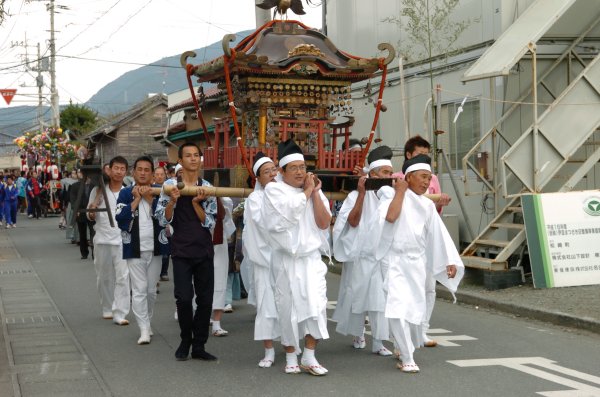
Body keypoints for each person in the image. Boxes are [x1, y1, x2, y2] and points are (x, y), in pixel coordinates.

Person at [369, 154, 464, 373]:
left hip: (416, 263)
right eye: (422, 177)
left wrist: (448, 260)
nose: (426, 182)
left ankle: (404, 348)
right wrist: (400, 191)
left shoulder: (427, 206)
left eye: (429, 178)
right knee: (396, 307)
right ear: (408, 177)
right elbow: (391, 218)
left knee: (413, 309)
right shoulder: (390, 195)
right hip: (393, 260)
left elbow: (437, 235)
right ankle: (408, 356)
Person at [261, 139, 331, 376]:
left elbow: (323, 223)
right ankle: (291, 354)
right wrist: (307, 191)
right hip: (286, 260)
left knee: (316, 306)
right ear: (282, 171)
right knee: (287, 307)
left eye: (303, 167)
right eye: (295, 168)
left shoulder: (311, 192)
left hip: (311, 260)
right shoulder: (273, 190)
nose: (301, 172)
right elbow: (287, 215)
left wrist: (315, 194)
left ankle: (310, 355)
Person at [156, 143, 218, 361]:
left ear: (200, 160)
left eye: (196, 156)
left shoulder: (207, 187)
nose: (193, 159)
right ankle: (185, 340)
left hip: (203, 249)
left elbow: (210, 222)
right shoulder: (169, 186)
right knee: (183, 298)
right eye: (188, 156)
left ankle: (199, 345)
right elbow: (162, 218)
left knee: (205, 300)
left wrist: (195, 203)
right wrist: (173, 201)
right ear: (180, 161)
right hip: (181, 250)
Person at [332, 145, 394, 356]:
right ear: (373, 174)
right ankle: (358, 334)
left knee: (379, 300)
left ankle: (378, 341)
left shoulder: (391, 195)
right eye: (385, 173)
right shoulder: (355, 196)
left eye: (390, 173)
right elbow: (353, 221)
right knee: (357, 298)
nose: (389, 177)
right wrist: (360, 194)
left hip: (380, 255)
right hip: (360, 256)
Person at [393, 135, 451, 347]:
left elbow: (433, 209)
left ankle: (422, 329)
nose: (426, 181)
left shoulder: (432, 178)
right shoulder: (397, 179)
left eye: (427, 156)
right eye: (420, 155)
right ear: (408, 155)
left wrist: (440, 201)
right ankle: (401, 334)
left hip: (425, 240)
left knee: (428, 287)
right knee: (403, 291)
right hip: (401, 245)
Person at [115, 156, 167, 345]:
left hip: (156, 248)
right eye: (140, 169)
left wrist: (149, 199)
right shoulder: (126, 193)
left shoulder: (160, 193)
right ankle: (143, 328)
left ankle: (147, 320)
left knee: (151, 291)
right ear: (133, 172)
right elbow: (120, 218)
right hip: (134, 248)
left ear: (153, 174)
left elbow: (166, 218)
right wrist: (137, 199)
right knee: (139, 290)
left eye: (147, 170)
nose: (143, 173)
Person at [243, 152, 280, 368]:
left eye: (274, 169)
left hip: (285, 260)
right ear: (258, 178)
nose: (272, 174)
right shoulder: (255, 199)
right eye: (266, 172)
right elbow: (265, 224)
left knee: (288, 304)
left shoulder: (288, 194)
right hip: (265, 261)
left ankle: (290, 345)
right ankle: (269, 350)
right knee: (267, 307)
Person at [87, 156, 130, 324]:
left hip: (122, 239)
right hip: (102, 239)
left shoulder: (128, 191)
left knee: (123, 277)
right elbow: (91, 216)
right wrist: (95, 204)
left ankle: (120, 312)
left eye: (122, 169)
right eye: (116, 168)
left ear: (126, 172)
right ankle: (107, 307)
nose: (119, 172)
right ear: (109, 170)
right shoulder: (97, 191)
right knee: (103, 277)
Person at [210, 196, 236, 337]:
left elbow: (226, 217)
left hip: (219, 241)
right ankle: (200, 315)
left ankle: (217, 322)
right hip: (197, 240)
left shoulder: (225, 199)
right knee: (199, 281)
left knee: (220, 279)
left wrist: (217, 197)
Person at [152, 166, 171, 281]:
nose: (159, 176)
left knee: (165, 248)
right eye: (157, 174)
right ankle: (154, 275)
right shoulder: (151, 188)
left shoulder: (169, 188)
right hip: (153, 221)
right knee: (155, 248)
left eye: (161, 174)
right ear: (154, 176)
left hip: (166, 221)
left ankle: (164, 271)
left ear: (165, 175)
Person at [70, 173, 94, 259]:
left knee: (93, 232)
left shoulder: (94, 186)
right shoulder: (75, 186)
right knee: (82, 233)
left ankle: (94, 253)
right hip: (80, 211)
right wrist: (75, 210)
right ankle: (84, 252)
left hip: (92, 212)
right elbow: (72, 199)